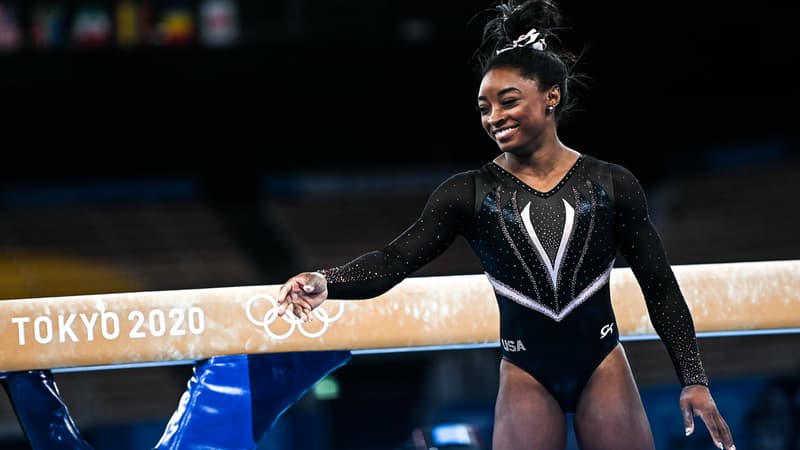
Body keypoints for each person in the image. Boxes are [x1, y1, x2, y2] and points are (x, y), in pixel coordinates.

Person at [275, 0, 736, 448]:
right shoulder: (470, 193)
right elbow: (396, 259)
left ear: (551, 96)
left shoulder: (611, 184)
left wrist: (693, 379)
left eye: (508, 100)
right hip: (525, 372)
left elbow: (659, 286)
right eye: (483, 107)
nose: (495, 117)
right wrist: (327, 281)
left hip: (603, 363)